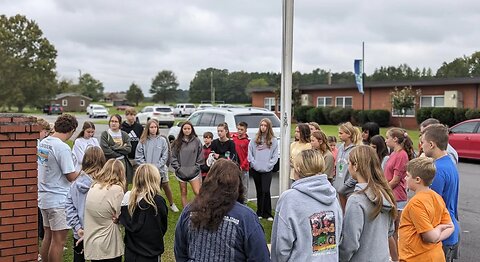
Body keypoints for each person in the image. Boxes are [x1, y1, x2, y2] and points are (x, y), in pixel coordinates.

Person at [174, 159, 270, 261]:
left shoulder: (190, 210)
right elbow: (260, 257)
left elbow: (180, 252)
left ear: (209, 180)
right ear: (237, 185)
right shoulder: (246, 217)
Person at [271, 149, 342, 261]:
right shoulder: (332, 194)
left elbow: (281, 246)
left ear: (298, 169)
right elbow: (338, 233)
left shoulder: (289, 198)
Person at [339, 145, 397, 262]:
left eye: (349, 163)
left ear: (356, 166)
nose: (348, 167)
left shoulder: (356, 200)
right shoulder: (385, 194)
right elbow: (389, 232)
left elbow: (350, 244)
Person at [37, 114, 79, 262]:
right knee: (59, 241)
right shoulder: (62, 148)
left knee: (48, 235)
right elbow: (71, 176)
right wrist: (84, 171)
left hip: (44, 196)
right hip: (59, 199)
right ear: (72, 130)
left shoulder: (44, 142)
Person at [399, 157, 454, 262]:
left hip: (416, 257)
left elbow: (430, 237)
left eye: (407, 175)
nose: (405, 178)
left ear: (418, 179)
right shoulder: (437, 197)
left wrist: (437, 231)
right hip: (436, 255)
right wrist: (438, 235)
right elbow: (450, 226)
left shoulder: (416, 203)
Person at [421, 124, 460, 261]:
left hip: (442, 234)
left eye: (423, 142)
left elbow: (432, 208)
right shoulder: (449, 162)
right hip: (451, 228)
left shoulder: (437, 171)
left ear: (431, 144)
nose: (421, 146)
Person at [120, 164, 168, 262]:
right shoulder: (157, 202)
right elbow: (162, 226)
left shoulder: (127, 198)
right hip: (150, 254)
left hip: (131, 253)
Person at [66, 147, 106, 262]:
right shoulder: (103, 185)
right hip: (98, 232)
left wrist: (77, 227)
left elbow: (69, 206)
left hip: (80, 231)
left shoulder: (75, 184)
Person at [84, 159, 126, 262]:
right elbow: (121, 215)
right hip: (109, 243)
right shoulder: (116, 190)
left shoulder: (93, 187)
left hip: (93, 240)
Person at [136, 119, 179, 213]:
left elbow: (164, 156)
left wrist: (156, 167)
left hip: (160, 170)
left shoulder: (162, 140)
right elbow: (139, 156)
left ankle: (172, 204)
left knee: (165, 185)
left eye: (155, 127)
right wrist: (147, 168)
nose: (153, 129)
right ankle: (149, 204)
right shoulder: (143, 141)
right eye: (151, 127)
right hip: (147, 170)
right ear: (148, 128)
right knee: (147, 187)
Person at [384, 128, 415, 260]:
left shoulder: (402, 155)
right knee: (389, 231)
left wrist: (382, 189)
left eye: (387, 138)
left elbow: (396, 180)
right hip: (390, 195)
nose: (386, 140)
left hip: (397, 197)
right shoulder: (393, 153)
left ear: (395, 139)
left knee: (394, 232)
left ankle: (397, 258)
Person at [248, 118, 279, 221]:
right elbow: (250, 154)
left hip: (267, 170)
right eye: (261, 125)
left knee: (266, 190)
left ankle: (268, 213)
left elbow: (275, 156)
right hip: (256, 169)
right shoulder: (255, 140)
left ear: (268, 127)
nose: (263, 127)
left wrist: (268, 165)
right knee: (259, 191)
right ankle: (259, 212)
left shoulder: (273, 141)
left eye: (265, 125)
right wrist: (254, 164)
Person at [171, 121, 203, 208]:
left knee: (197, 192)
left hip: (194, 172)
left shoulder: (197, 141)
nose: (187, 130)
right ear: (182, 130)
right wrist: (178, 168)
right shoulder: (177, 142)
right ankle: (185, 211)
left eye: (189, 128)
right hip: (181, 172)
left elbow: (200, 156)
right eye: (185, 128)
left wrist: (196, 168)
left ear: (192, 129)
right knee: (183, 192)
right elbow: (173, 157)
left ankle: (199, 209)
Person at [333, 122, 362, 211]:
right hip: (339, 189)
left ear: (349, 134)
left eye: (341, 133)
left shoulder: (355, 150)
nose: (339, 135)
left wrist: (345, 186)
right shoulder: (341, 147)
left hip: (349, 190)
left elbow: (356, 171)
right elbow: (337, 167)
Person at [100, 114, 133, 186]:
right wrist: (121, 150)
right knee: (109, 184)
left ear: (119, 123)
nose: (113, 123)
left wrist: (113, 147)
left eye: (116, 121)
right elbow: (106, 150)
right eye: (112, 121)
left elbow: (128, 149)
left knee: (122, 184)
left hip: (122, 163)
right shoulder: (105, 134)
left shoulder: (124, 134)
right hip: (108, 163)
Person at [37, 118, 51, 243]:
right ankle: (41, 234)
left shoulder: (41, 143)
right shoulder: (39, 144)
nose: (46, 134)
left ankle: (41, 234)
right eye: (44, 131)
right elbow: (43, 163)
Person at [121, 107, 144, 173]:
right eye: (131, 115)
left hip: (137, 157)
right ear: (126, 115)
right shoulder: (122, 127)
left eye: (134, 115)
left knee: (137, 178)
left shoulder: (139, 127)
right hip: (126, 158)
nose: (133, 117)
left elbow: (142, 140)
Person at [232, 121, 250, 200]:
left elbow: (248, 156)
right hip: (234, 167)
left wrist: (242, 166)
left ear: (245, 130)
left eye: (241, 129)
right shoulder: (234, 139)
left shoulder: (247, 141)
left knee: (244, 187)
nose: (239, 131)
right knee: (234, 186)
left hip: (243, 168)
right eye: (238, 129)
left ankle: (244, 203)